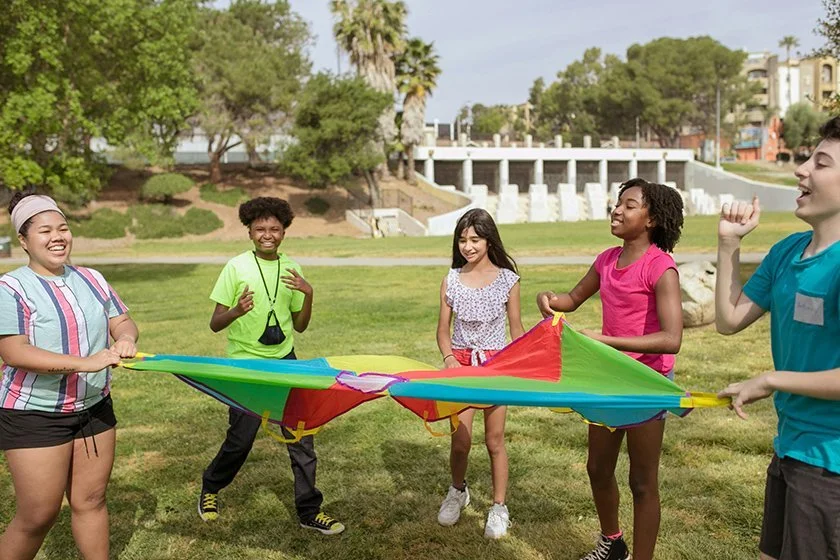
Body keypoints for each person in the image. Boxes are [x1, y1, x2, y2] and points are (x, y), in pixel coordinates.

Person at [537, 179, 684, 560]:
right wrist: (550, 300)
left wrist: (607, 341)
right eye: (618, 204)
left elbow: (671, 339)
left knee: (641, 481)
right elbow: (572, 298)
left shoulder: (661, 267)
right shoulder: (606, 260)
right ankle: (612, 541)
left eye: (630, 205)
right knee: (598, 468)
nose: (617, 210)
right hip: (606, 380)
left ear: (651, 219)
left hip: (643, 383)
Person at [716, 117, 840, 560]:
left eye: (820, 163)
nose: (801, 170)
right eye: (807, 158)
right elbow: (729, 319)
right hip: (790, 448)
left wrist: (771, 380)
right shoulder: (787, 251)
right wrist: (729, 244)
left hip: (831, 462)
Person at [0, 192, 138, 560]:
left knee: (91, 500)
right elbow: (14, 351)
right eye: (45, 231)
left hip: (94, 408)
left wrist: (125, 338)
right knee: (38, 515)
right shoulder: (10, 288)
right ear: (24, 241)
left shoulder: (92, 278)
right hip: (35, 414)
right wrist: (85, 363)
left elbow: (122, 321)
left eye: (63, 227)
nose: (57, 236)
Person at [197, 196, 344, 535]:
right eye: (260, 228)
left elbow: (302, 325)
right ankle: (211, 487)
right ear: (249, 231)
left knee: (301, 437)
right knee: (241, 439)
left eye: (274, 229)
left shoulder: (292, 267)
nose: (267, 234)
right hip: (246, 367)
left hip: (286, 363)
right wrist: (237, 310)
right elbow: (215, 323)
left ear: (284, 232)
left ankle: (310, 510)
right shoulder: (236, 267)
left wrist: (309, 293)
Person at [435, 208, 525, 539]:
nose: (468, 246)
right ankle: (457, 491)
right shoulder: (451, 279)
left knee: (494, 441)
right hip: (459, 366)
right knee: (461, 441)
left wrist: (527, 360)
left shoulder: (508, 280)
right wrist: (448, 359)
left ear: (489, 240)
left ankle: (499, 507)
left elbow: (517, 329)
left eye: (475, 239)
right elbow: (443, 330)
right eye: (462, 239)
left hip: (496, 367)